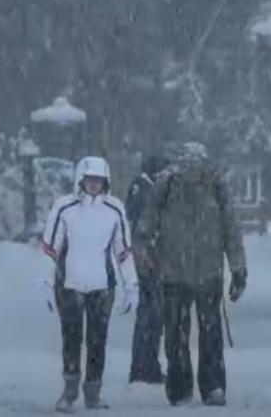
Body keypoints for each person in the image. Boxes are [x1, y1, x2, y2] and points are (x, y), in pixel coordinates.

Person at [140, 142, 246, 407]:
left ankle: (179, 388)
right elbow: (231, 230)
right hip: (209, 271)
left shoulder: (165, 183)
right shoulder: (215, 182)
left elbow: (145, 228)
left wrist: (148, 265)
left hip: (173, 272)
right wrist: (238, 268)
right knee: (211, 333)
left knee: (176, 332)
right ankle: (213, 387)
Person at [38, 156, 139, 412]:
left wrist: (132, 285)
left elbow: (123, 251)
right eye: (89, 180)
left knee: (97, 340)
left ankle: (93, 390)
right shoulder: (64, 208)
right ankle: (70, 389)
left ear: (106, 182)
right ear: (80, 180)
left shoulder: (115, 209)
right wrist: (45, 283)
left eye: (99, 180)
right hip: (69, 284)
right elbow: (50, 249)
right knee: (71, 338)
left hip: (102, 286)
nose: (94, 185)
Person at [125, 152, 170, 384]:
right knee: (149, 315)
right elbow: (138, 226)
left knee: (153, 316)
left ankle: (147, 365)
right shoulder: (142, 189)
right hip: (146, 260)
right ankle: (143, 367)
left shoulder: (142, 188)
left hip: (151, 258)